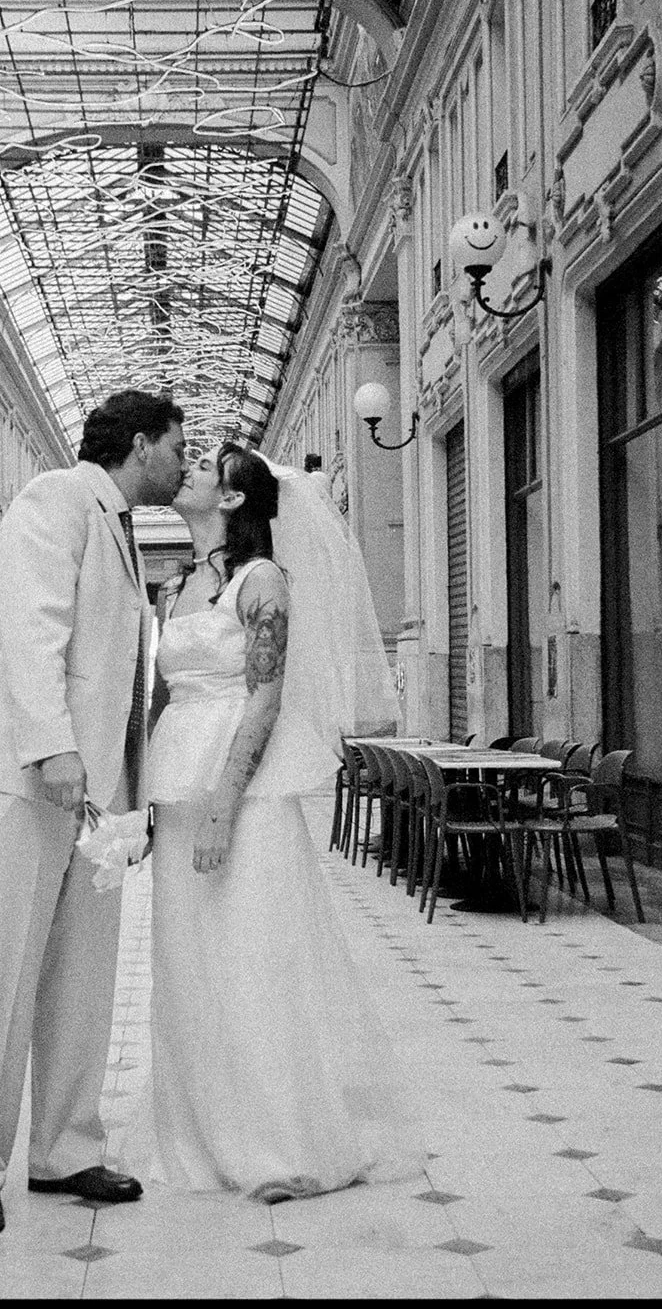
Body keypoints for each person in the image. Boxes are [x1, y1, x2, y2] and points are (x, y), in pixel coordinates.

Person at [128, 441, 424, 1201]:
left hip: (243, 796)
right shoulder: (174, 587)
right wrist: (147, 798)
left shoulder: (263, 582)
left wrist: (225, 801)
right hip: (177, 786)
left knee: (253, 955)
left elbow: (263, 696)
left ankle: (280, 1144)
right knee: (187, 962)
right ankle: (198, 1133)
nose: (187, 469)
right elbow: (161, 698)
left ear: (231, 499)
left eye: (205, 467)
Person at [0, 390, 187, 1237]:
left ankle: (64, 1149)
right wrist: (51, 747)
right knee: (4, 976)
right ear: (142, 443)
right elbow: (28, 628)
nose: (184, 464)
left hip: (92, 797)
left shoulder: (117, 522)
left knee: (83, 980)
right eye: (177, 447)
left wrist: (126, 788)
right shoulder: (55, 498)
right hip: (27, 778)